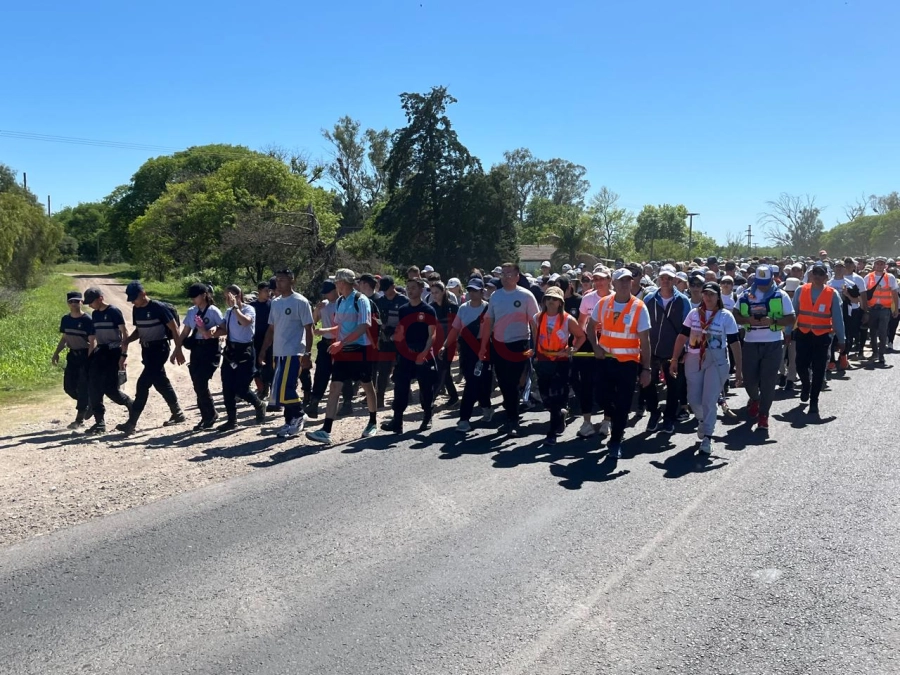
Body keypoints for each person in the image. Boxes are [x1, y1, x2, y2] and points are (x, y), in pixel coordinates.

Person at [306, 269, 379, 444]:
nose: (335, 285)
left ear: (343, 282)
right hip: (343, 351)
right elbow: (340, 327)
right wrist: (325, 331)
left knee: (367, 386)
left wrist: (342, 343)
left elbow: (364, 326)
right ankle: (326, 430)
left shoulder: (361, 300)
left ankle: (372, 421)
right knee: (335, 387)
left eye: (337, 282)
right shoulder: (340, 301)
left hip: (360, 350)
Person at [671, 282, 743, 455]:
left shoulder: (726, 316)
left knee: (709, 399)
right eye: (705, 294)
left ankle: (707, 438)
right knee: (694, 399)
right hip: (694, 357)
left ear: (718, 297)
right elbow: (682, 336)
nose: (708, 297)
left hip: (717, 359)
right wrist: (674, 358)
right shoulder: (694, 314)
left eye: (712, 294)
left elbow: (734, 342)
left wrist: (739, 369)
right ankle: (703, 421)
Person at [588, 268, 652, 459]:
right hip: (605, 361)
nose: (625, 284)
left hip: (628, 364)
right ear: (613, 284)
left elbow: (645, 341)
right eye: (621, 281)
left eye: (628, 280)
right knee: (600, 396)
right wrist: (596, 346)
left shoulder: (639, 307)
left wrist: (646, 369)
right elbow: (590, 327)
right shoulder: (604, 303)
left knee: (623, 403)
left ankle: (616, 440)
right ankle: (614, 418)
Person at [478, 263, 540, 437]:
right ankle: (511, 413)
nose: (506, 277)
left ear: (517, 276)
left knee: (513, 382)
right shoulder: (495, 296)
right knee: (504, 382)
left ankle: (513, 420)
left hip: (521, 345)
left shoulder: (526, 295)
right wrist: (483, 346)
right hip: (499, 345)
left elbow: (536, 324)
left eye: (509, 274)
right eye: (503, 274)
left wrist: (538, 348)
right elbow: (489, 322)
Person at [116, 281, 185, 436]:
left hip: (159, 349)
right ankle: (178, 413)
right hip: (146, 350)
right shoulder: (136, 309)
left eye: (135, 298)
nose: (133, 301)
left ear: (143, 294)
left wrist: (178, 349)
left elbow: (174, 329)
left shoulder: (159, 308)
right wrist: (127, 340)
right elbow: (139, 330)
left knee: (142, 385)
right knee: (161, 382)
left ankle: (131, 423)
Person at [735, 266, 795, 430]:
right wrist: (747, 320)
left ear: (771, 279)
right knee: (749, 380)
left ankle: (764, 415)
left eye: (765, 282)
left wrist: (773, 321)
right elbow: (735, 314)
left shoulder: (781, 295)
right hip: (751, 343)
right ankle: (755, 398)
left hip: (773, 343)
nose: (762, 286)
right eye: (759, 282)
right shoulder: (746, 295)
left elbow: (791, 319)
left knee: (768, 381)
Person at [258, 268, 314, 438]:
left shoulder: (300, 302)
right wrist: (262, 351)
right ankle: (289, 421)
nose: (278, 283)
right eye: (277, 280)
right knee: (279, 390)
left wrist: (307, 353)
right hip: (278, 353)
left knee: (286, 388)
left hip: (294, 351)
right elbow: (271, 329)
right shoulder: (275, 302)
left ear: (292, 281)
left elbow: (309, 329)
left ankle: (298, 414)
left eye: (282, 280)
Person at [378, 277, 438, 434]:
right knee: (400, 386)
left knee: (425, 387)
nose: (410, 290)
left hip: (423, 352)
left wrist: (424, 353)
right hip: (405, 353)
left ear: (421, 290)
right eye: (408, 287)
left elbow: (432, 335)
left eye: (413, 287)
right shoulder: (403, 309)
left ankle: (427, 416)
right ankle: (397, 421)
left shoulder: (428, 310)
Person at [641, 265, 690, 434]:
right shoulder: (648, 299)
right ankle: (654, 413)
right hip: (651, 350)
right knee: (647, 383)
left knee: (673, 387)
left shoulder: (683, 301)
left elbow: (688, 328)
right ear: (658, 279)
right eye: (662, 277)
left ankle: (669, 417)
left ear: (675, 280)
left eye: (669, 278)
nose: (665, 281)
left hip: (673, 352)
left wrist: (686, 350)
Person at [533, 286, 585, 445]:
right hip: (543, 359)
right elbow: (536, 338)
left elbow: (580, 336)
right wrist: (535, 355)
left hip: (560, 361)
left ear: (561, 302)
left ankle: (552, 432)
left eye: (554, 298)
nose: (550, 301)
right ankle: (559, 414)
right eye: (548, 298)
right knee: (545, 396)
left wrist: (573, 349)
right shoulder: (537, 317)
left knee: (555, 396)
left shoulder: (568, 319)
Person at [82, 287, 135, 436]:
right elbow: (95, 338)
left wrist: (124, 354)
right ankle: (99, 423)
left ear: (100, 298)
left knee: (110, 388)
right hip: (102, 350)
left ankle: (131, 406)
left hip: (114, 351)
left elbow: (125, 333)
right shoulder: (95, 314)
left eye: (91, 302)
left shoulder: (113, 311)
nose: (90, 306)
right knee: (93, 384)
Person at [794, 264, 845, 417]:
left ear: (826, 277)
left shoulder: (832, 294)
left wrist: (842, 340)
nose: (817, 276)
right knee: (800, 365)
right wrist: (788, 332)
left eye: (820, 274)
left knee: (819, 369)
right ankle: (805, 385)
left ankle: (814, 401)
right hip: (803, 334)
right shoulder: (800, 290)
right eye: (814, 273)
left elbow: (837, 318)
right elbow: (793, 312)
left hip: (822, 336)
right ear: (810, 275)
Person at [442, 277, 492, 433]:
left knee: (482, 383)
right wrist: (445, 345)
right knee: (472, 382)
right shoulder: (463, 308)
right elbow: (455, 329)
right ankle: (467, 417)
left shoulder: (489, 308)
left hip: (484, 349)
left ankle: (480, 409)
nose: (472, 293)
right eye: (470, 290)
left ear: (482, 291)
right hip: (467, 350)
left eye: (475, 290)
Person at [175, 283, 224, 430]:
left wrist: (213, 331)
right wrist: (177, 350)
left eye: (195, 296)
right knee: (197, 383)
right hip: (196, 349)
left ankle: (210, 415)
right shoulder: (191, 312)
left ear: (204, 295)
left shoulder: (214, 311)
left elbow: (224, 329)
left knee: (201, 382)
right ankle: (207, 415)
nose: (193, 300)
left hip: (210, 349)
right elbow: (185, 333)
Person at [218, 284, 267, 431]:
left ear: (238, 296)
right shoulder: (228, 312)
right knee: (227, 387)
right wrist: (216, 329)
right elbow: (224, 328)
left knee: (241, 388)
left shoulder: (248, 309)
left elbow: (245, 322)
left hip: (245, 351)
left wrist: (236, 307)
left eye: (230, 297)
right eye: (226, 297)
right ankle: (231, 420)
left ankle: (259, 404)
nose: (227, 300)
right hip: (230, 351)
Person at [574, 266, 612, 438]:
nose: (598, 282)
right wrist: (577, 344)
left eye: (602, 278)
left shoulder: (615, 297)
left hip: (610, 342)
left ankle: (607, 420)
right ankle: (587, 422)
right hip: (589, 343)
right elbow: (581, 323)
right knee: (586, 384)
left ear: (609, 279)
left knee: (607, 384)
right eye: (595, 279)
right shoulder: (588, 298)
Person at [52, 291, 94, 429]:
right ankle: (89, 403)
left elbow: (93, 341)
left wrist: (89, 358)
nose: (74, 304)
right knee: (69, 387)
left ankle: (79, 419)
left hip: (84, 356)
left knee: (82, 387)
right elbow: (64, 338)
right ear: (68, 303)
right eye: (71, 301)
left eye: (77, 301)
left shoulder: (87, 320)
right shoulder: (66, 319)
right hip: (72, 356)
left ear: (81, 302)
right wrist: (56, 353)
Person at [373, 276, 408, 409]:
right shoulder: (380, 302)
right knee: (383, 370)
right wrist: (382, 330)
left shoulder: (403, 300)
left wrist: (396, 331)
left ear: (393, 286)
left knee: (401, 370)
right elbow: (376, 319)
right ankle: (380, 398)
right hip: (385, 340)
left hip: (400, 341)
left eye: (387, 289)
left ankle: (403, 396)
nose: (385, 292)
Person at [305, 280, 339, 418]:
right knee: (321, 373)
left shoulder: (343, 304)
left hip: (340, 343)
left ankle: (347, 402)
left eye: (328, 292)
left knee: (341, 374)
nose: (326, 295)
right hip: (325, 343)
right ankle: (314, 402)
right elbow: (313, 321)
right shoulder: (324, 305)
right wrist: (317, 309)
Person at [429, 280, 460, 407]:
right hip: (436, 343)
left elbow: (457, 327)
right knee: (444, 371)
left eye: (437, 292)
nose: (435, 295)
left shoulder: (453, 307)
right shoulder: (431, 307)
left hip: (450, 343)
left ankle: (430, 399)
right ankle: (453, 396)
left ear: (443, 292)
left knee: (441, 370)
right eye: (432, 293)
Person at [864, 256, 899, 365]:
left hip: (885, 309)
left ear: (885, 265)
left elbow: (894, 294)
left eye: (881, 264)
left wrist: (896, 309)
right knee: (873, 332)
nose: (879, 266)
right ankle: (875, 353)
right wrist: (865, 309)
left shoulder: (890, 277)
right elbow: (864, 294)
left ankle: (881, 354)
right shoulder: (868, 277)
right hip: (872, 309)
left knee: (883, 332)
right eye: (878, 264)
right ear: (874, 265)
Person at [250, 279, 274, 403]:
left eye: (269, 290)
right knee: (255, 366)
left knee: (268, 365)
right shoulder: (252, 306)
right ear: (259, 291)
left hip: (269, 339)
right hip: (255, 339)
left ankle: (267, 388)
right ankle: (261, 387)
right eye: (266, 291)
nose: (268, 293)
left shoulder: (272, 305)